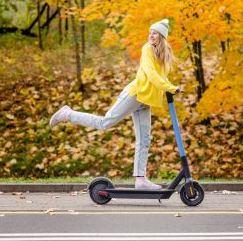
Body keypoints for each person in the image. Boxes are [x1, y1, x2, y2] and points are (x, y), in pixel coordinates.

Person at [49, 19, 180, 189]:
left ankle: (140, 180)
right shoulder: (147, 49)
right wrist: (169, 87)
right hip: (135, 94)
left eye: (154, 33)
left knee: (145, 139)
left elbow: (162, 76)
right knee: (105, 123)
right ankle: (68, 114)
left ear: (161, 36)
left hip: (145, 101)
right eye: (149, 32)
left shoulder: (164, 53)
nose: (150, 35)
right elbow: (151, 74)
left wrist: (170, 88)